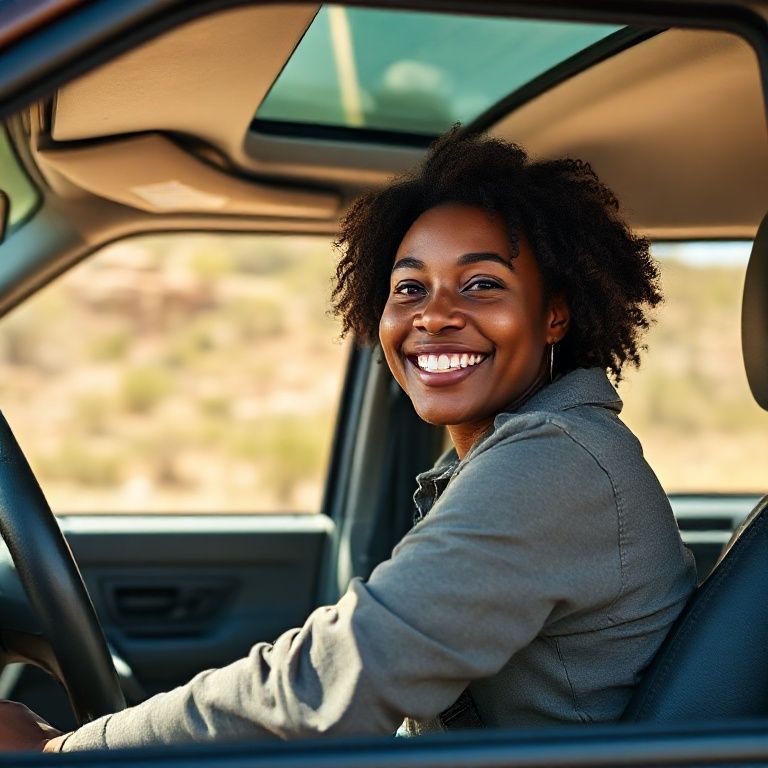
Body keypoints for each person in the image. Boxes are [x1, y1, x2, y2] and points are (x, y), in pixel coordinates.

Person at [0, 129, 696, 752]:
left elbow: (330, 687)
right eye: (408, 289)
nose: (435, 316)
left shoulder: (555, 462)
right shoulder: (540, 449)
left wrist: (61, 754)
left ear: (555, 315)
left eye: (482, 284)